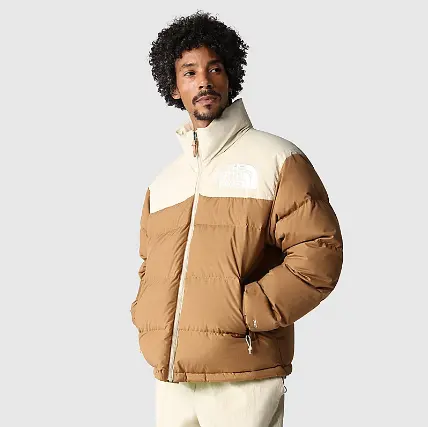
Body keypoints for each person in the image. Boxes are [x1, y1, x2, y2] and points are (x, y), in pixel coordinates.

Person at [130, 10, 343, 427]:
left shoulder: (276, 158)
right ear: (174, 87)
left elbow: (319, 253)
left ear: (230, 76)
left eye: (215, 69)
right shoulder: (164, 183)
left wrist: (243, 312)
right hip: (171, 379)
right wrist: (146, 317)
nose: (204, 81)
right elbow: (148, 266)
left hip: (244, 376)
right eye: (190, 72)